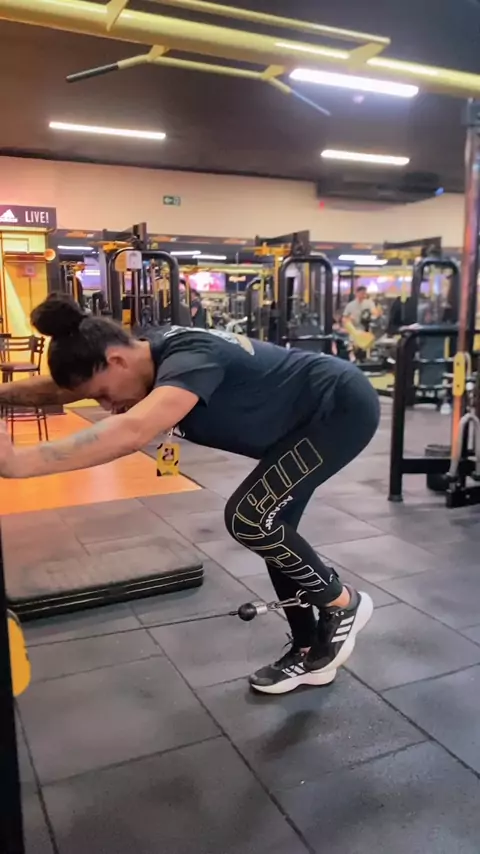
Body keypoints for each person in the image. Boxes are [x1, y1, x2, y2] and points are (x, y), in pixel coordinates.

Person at [0, 294, 379, 695]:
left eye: (104, 394)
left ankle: (343, 603)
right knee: (273, 530)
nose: (107, 405)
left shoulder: (190, 359)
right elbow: (61, 390)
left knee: (249, 518)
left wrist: (19, 463)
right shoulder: (142, 354)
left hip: (337, 409)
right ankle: (309, 651)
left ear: (117, 360)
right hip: (297, 429)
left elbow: (132, 431)